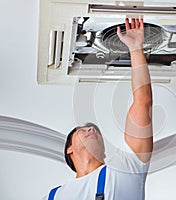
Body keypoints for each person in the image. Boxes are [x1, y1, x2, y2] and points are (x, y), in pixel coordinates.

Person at [43, 18, 153, 200]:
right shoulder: (53, 196)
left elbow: (143, 102)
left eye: (92, 129)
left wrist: (135, 49)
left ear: (104, 152)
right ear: (69, 149)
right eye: (82, 130)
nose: (91, 129)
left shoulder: (127, 169)